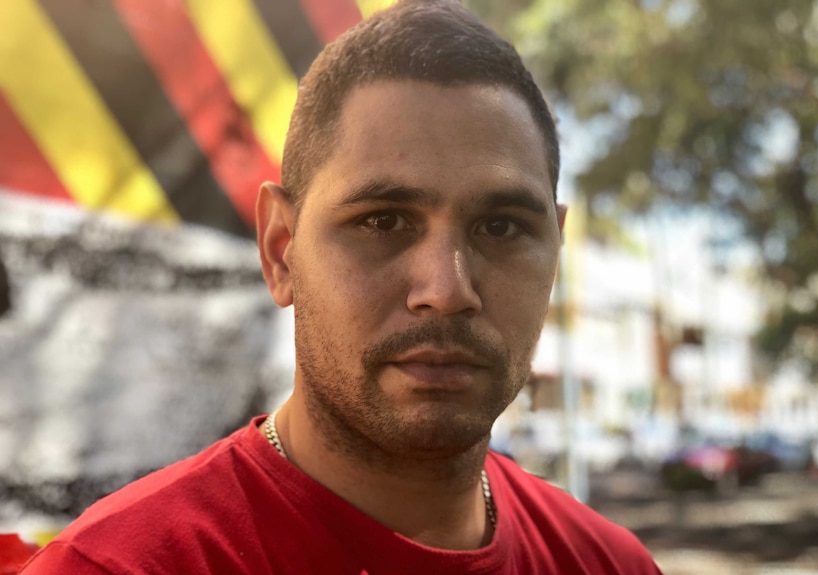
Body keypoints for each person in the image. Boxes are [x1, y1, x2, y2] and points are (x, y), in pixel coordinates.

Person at [20, 1, 662, 573]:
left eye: (501, 226)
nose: (446, 288)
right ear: (281, 250)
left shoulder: (608, 561)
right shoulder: (120, 565)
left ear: (555, 247)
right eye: (382, 221)